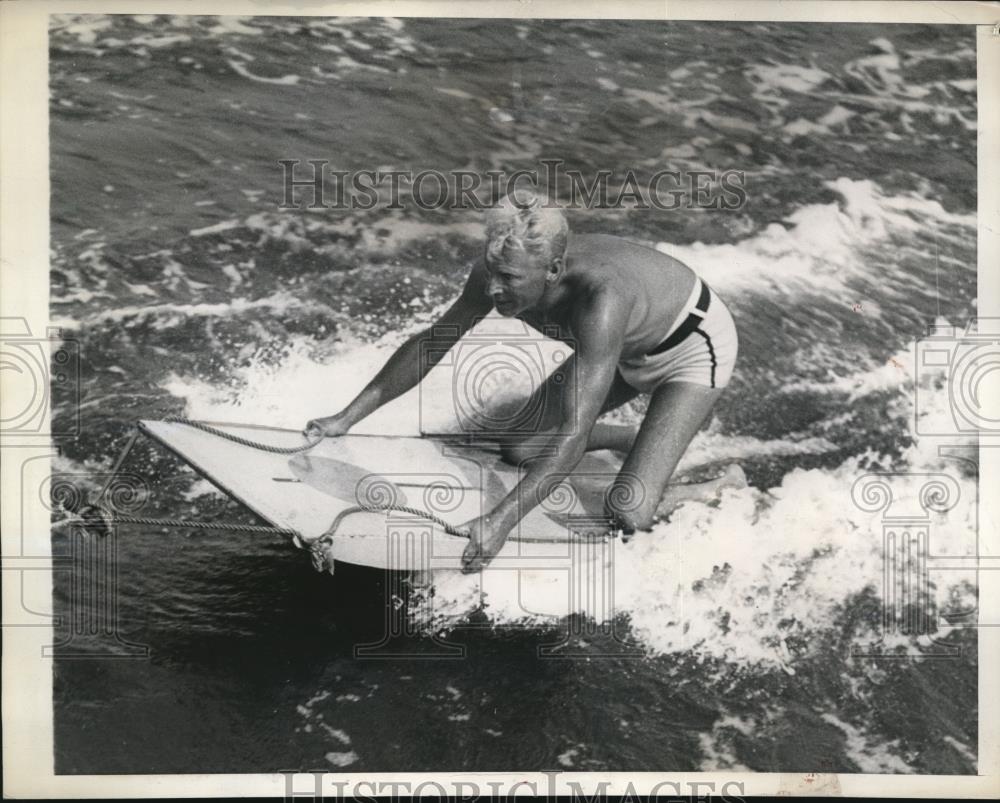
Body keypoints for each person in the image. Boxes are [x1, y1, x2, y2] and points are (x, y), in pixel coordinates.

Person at [305, 190, 744, 572]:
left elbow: (572, 434)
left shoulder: (600, 301)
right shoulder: (498, 267)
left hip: (691, 349)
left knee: (628, 512)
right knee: (518, 447)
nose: (494, 290)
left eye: (509, 280)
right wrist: (345, 418)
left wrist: (500, 521)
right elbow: (430, 345)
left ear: (553, 271)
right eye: (492, 272)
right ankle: (637, 438)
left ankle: (720, 487)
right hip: (628, 342)